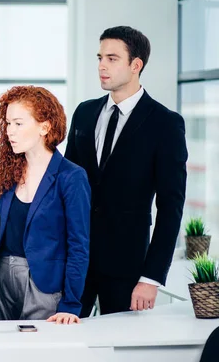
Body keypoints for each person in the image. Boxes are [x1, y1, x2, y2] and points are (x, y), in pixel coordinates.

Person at [65, 26, 188, 317]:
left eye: (112, 58)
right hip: (76, 261)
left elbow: (171, 207)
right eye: (99, 57)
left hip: (128, 269)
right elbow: (68, 184)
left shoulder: (165, 124)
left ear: (136, 65)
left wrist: (151, 278)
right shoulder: (84, 112)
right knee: (64, 343)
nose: (101, 66)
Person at [0, 85, 90, 324]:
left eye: (19, 124)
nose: (10, 131)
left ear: (45, 126)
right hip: (4, 280)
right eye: (8, 123)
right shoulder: (8, 171)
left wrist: (71, 304)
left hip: (45, 285)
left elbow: (78, 245)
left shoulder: (71, 177)